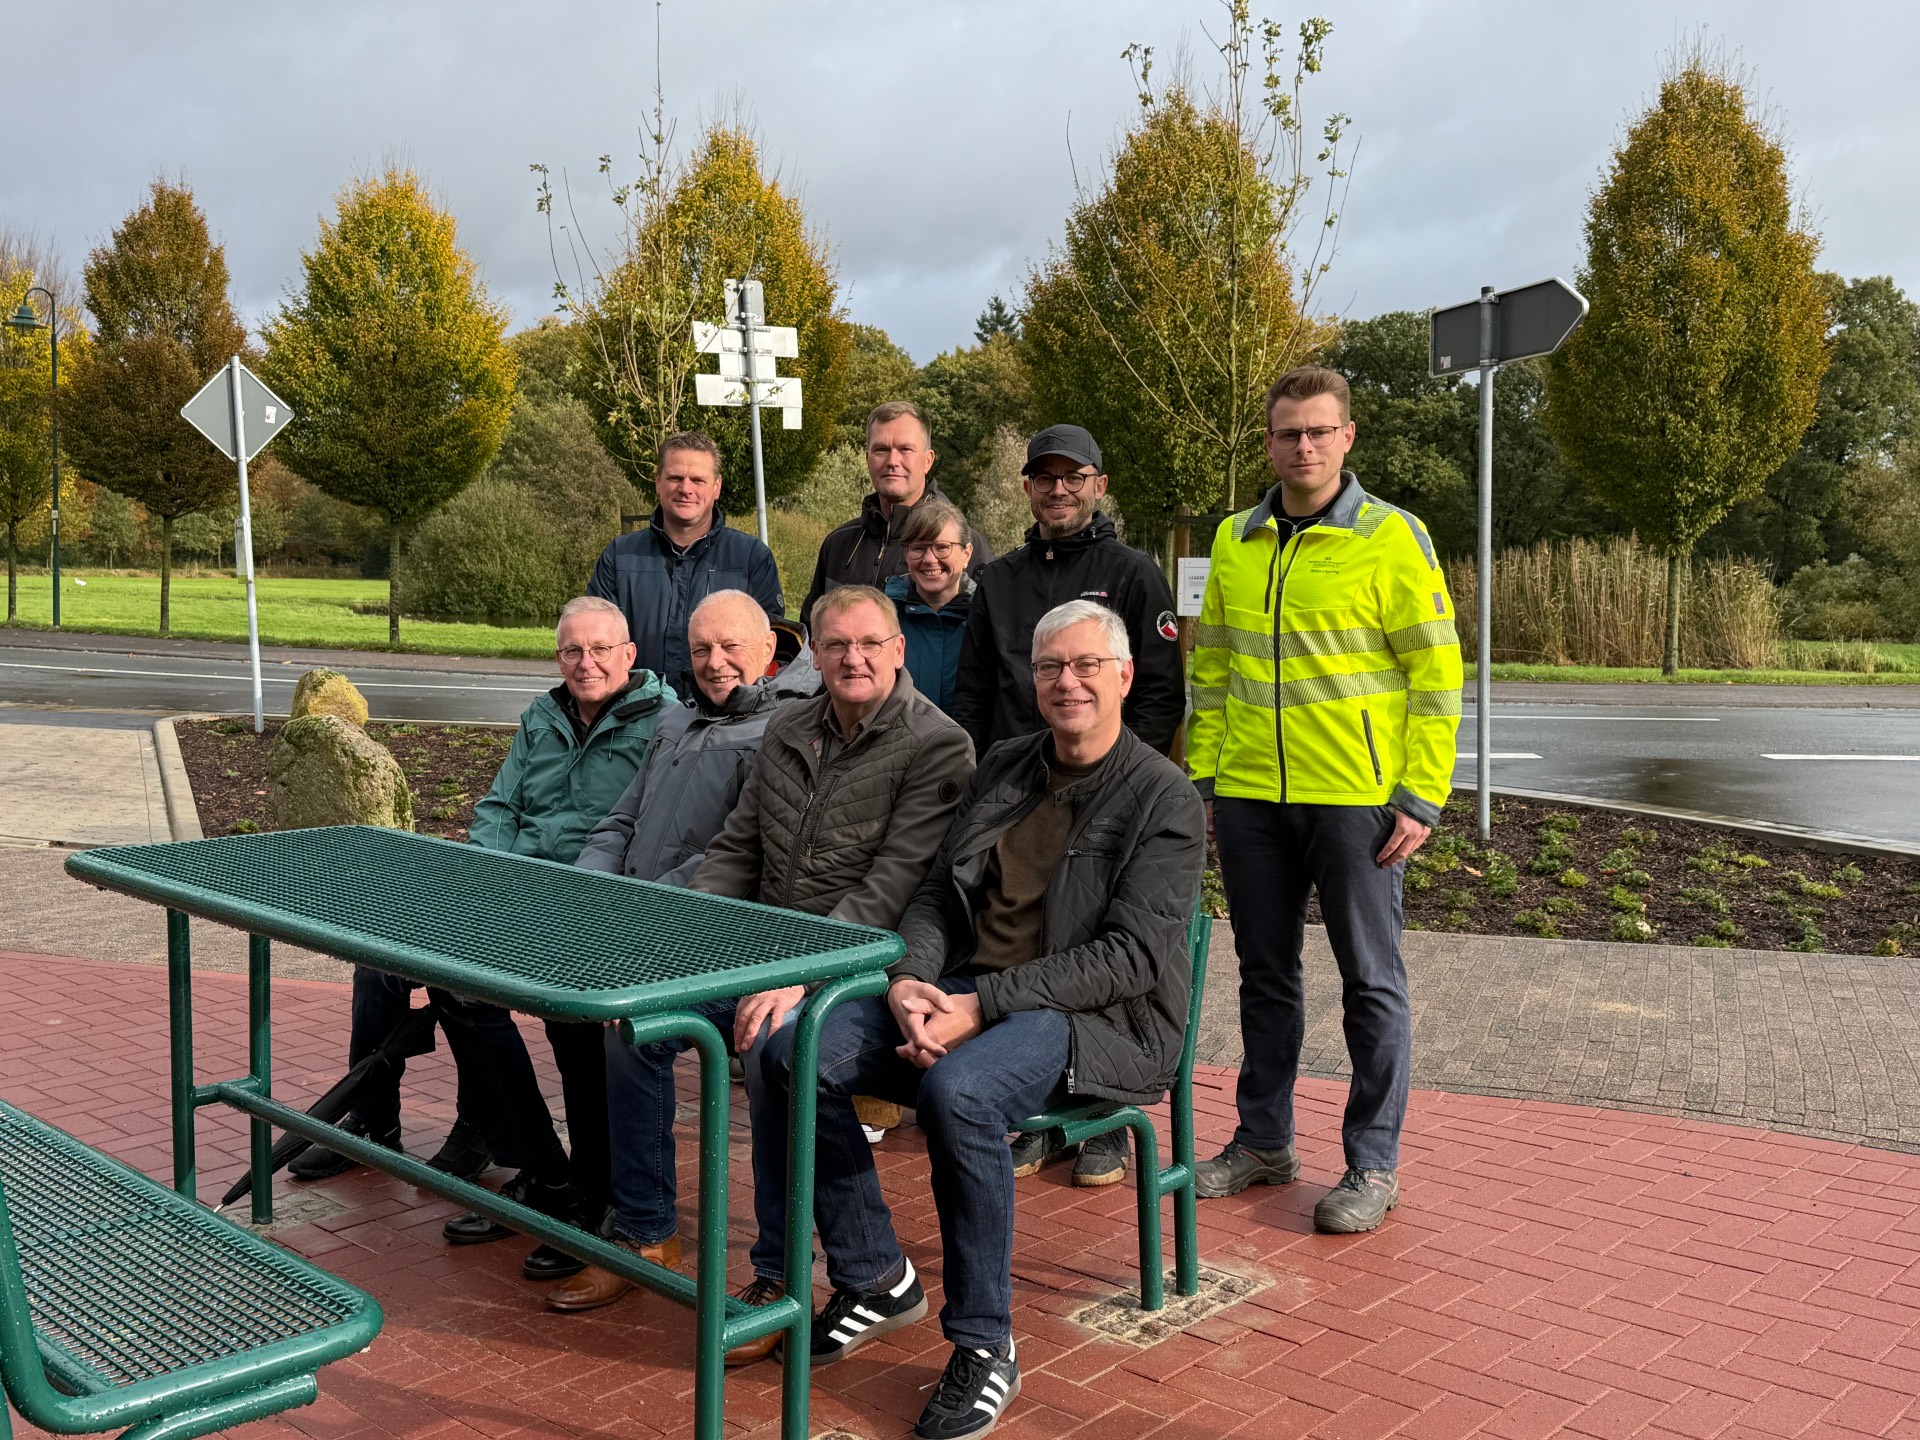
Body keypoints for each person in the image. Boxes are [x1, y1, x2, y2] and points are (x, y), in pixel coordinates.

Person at [750, 600, 1204, 1440]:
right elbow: (932, 895)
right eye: (1050, 668)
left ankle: (985, 1345)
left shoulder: (1162, 797)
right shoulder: (1005, 767)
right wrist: (912, 981)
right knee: (790, 1048)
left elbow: (1132, 958)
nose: (1066, 683)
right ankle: (875, 1274)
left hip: (1095, 1016)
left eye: (1086, 667)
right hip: (965, 991)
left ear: (1125, 677)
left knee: (960, 1094)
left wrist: (978, 1005)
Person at [1188, 366, 1462, 1235]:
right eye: (1286, 433)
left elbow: (1436, 672)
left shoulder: (1393, 537)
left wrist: (1420, 794)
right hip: (1251, 801)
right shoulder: (1236, 537)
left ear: (1347, 438)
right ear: (1267, 443)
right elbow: (1215, 668)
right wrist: (1203, 778)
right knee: (1265, 978)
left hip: (1359, 802)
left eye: (1318, 431)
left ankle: (1371, 1162)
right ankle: (1264, 1140)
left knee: (1370, 984)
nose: (1301, 446)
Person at [686, 584, 975, 1365]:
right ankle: (635, 1230)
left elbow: (893, 890)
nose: (852, 658)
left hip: (867, 967)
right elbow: (736, 850)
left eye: (869, 643)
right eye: (836, 644)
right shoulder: (788, 726)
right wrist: (684, 945)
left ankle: (781, 1277)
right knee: (635, 1025)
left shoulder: (937, 745)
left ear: (898, 650)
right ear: (811, 651)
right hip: (770, 951)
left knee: (776, 1043)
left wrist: (799, 975)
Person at [543, 590, 818, 1312]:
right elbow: (621, 818)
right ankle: (637, 1226)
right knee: (581, 1018)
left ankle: (766, 1270)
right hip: (636, 916)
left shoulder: (785, 727)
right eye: (701, 651)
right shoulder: (674, 718)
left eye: (731, 648)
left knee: (647, 1027)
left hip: (714, 932)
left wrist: (636, 912)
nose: (715, 663)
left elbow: (734, 855)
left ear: (768, 649)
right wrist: (587, 890)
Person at [436, 595, 676, 1280]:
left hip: (601, 901)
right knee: (458, 991)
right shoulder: (541, 716)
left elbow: (648, 828)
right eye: (572, 650)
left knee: (578, 1029)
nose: (586, 662)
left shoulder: (664, 723)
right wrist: (492, 878)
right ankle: (542, 1168)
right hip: (521, 894)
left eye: (601, 649)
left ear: (630, 656)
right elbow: (499, 806)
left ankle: (592, 1195)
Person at [950, 423, 1184, 759]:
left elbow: (1160, 697)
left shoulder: (1134, 574)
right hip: (1011, 782)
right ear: (1028, 488)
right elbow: (974, 693)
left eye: (1074, 477)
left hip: (1106, 784)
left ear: (1099, 486)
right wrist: (979, 773)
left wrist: (1126, 777)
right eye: (1045, 478)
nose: (1059, 490)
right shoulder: (999, 579)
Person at [587, 429, 784, 696]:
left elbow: (770, 654)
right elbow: (596, 645)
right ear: (658, 482)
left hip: (724, 725)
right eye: (675, 478)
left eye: (698, 480)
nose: (686, 489)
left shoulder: (751, 558)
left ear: (716, 487)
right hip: (636, 720)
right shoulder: (619, 557)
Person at [801, 401, 991, 623]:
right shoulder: (839, 544)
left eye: (905, 449)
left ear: (928, 460)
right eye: (881, 449)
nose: (892, 462)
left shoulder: (964, 544)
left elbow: (984, 634)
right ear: (867, 458)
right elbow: (812, 633)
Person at [884, 496, 974, 716]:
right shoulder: (884, 616)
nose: (929, 559)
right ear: (907, 554)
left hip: (969, 748)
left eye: (942, 547)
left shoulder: (985, 618)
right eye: (918, 548)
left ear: (966, 554)